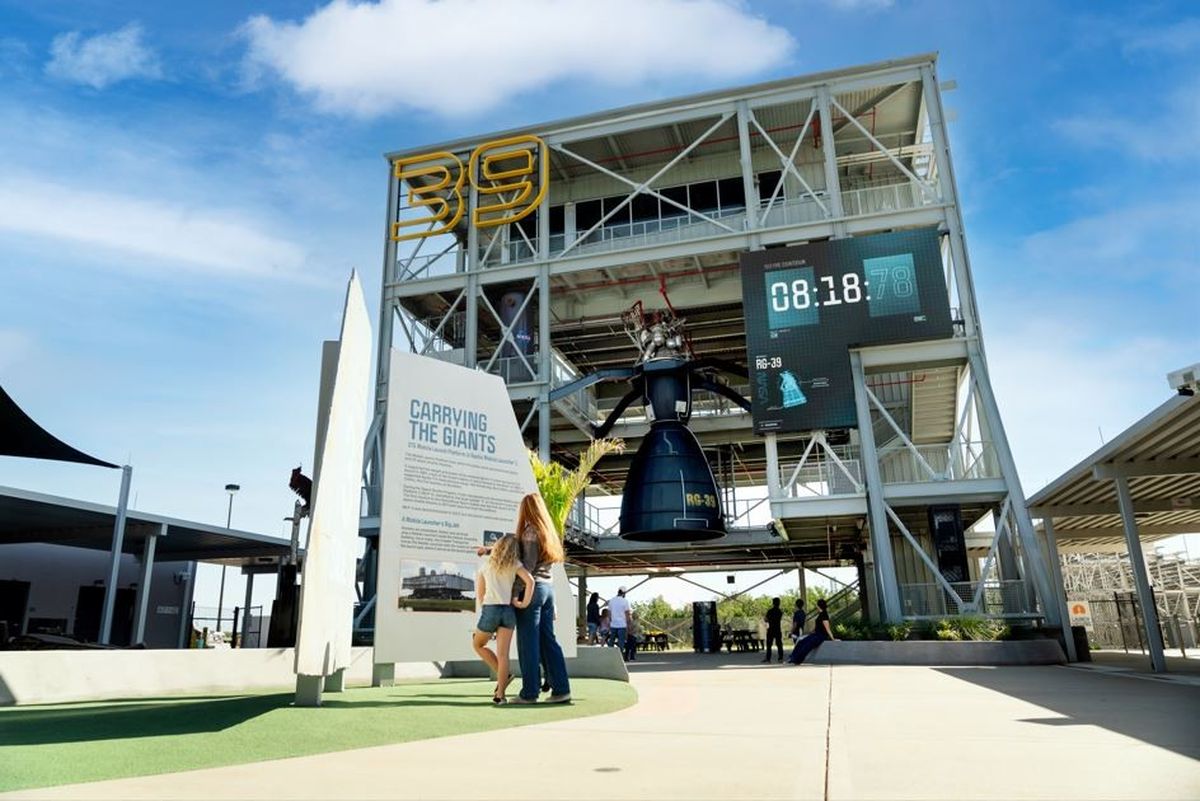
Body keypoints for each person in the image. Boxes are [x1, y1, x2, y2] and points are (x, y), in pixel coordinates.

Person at [511, 492, 572, 704]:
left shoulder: (529, 533)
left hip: (532, 591)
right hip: (547, 590)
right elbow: (547, 570)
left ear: (526, 510)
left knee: (528, 643)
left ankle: (529, 693)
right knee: (549, 642)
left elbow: (527, 568)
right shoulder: (548, 533)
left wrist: (514, 595)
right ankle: (561, 689)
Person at [472, 534, 534, 704]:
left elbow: (480, 595)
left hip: (490, 609)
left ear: (497, 547)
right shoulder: (515, 564)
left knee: (477, 644)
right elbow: (530, 582)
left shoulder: (486, 565)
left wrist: (486, 615)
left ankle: (504, 675)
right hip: (508, 610)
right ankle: (500, 696)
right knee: (503, 655)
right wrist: (523, 603)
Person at [787, 598, 836, 664]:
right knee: (801, 642)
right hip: (816, 634)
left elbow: (827, 628)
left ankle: (797, 660)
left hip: (821, 636)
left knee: (807, 645)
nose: (816, 606)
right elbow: (818, 627)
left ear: (819, 606)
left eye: (817, 605)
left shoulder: (824, 614)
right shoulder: (820, 614)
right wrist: (810, 632)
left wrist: (833, 639)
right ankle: (792, 657)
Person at [607, 586, 632, 659]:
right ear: (624, 593)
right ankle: (620, 656)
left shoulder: (612, 600)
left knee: (611, 640)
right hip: (622, 624)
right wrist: (629, 623)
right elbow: (627, 613)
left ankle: (610, 655)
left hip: (613, 624)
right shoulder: (625, 601)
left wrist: (610, 621)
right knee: (621, 641)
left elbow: (609, 613)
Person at [762, 597, 784, 663]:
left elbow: (766, 620)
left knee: (769, 645)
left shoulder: (770, 611)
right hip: (777, 629)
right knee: (779, 644)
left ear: (773, 603)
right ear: (779, 603)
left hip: (771, 629)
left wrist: (765, 617)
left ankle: (768, 658)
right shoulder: (780, 611)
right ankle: (780, 658)